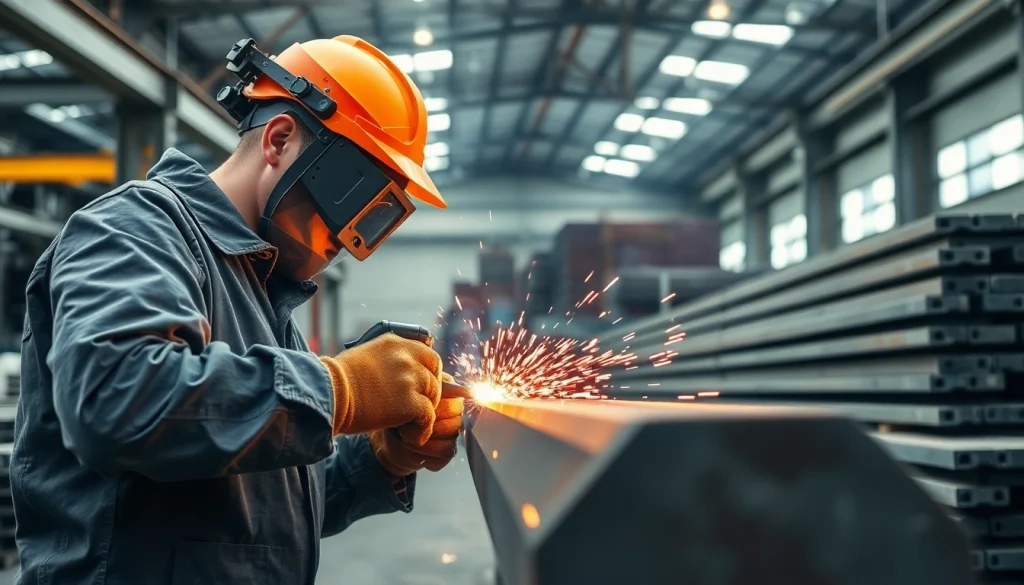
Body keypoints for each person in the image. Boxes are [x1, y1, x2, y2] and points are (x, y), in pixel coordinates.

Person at [13, 35, 461, 584]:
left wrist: (380, 462)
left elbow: (259, 509)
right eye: (355, 202)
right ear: (279, 140)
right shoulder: (136, 228)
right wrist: (338, 391)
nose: (350, 240)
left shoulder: (258, 289)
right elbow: (118, 399)